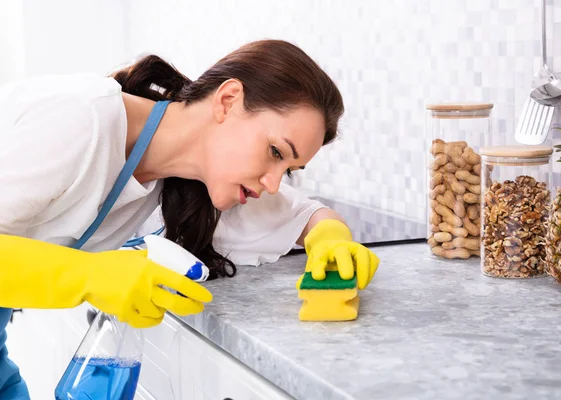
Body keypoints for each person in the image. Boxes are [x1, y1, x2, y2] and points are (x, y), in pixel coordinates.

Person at [0, 39, 379, 398]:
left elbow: (308, 216)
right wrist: (88, 275)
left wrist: (331, 239)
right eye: (276, 152)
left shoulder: (180, 180)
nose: (275, 183)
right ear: (228, 101)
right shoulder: (80, 118)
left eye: (290, 169)